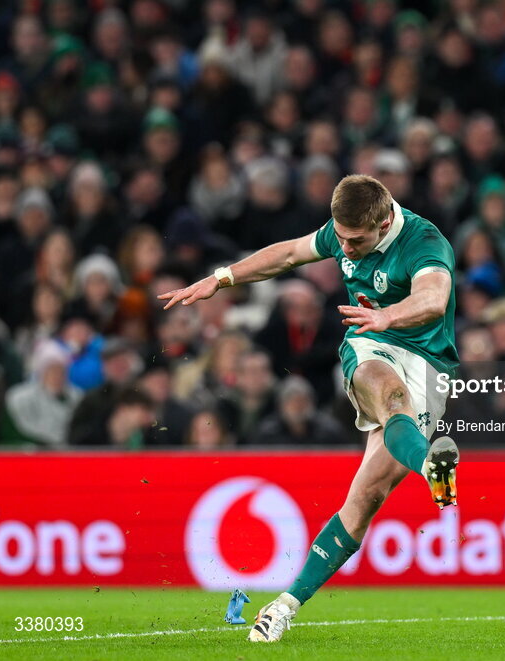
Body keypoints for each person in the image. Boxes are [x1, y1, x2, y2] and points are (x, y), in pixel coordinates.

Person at [159, 174, 459, 643]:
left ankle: (286, 601)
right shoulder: (344, 231)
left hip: (427, 362)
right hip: (372, 345)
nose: (346, 248)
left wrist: (388, 314)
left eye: (355, 240)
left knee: (365, 501)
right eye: (340, 238)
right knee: (389, 394)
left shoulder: (424, 241)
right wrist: (222, 277)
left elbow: (433, 298)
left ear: (383, 224)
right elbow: (289, 254)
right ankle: (431, 465)